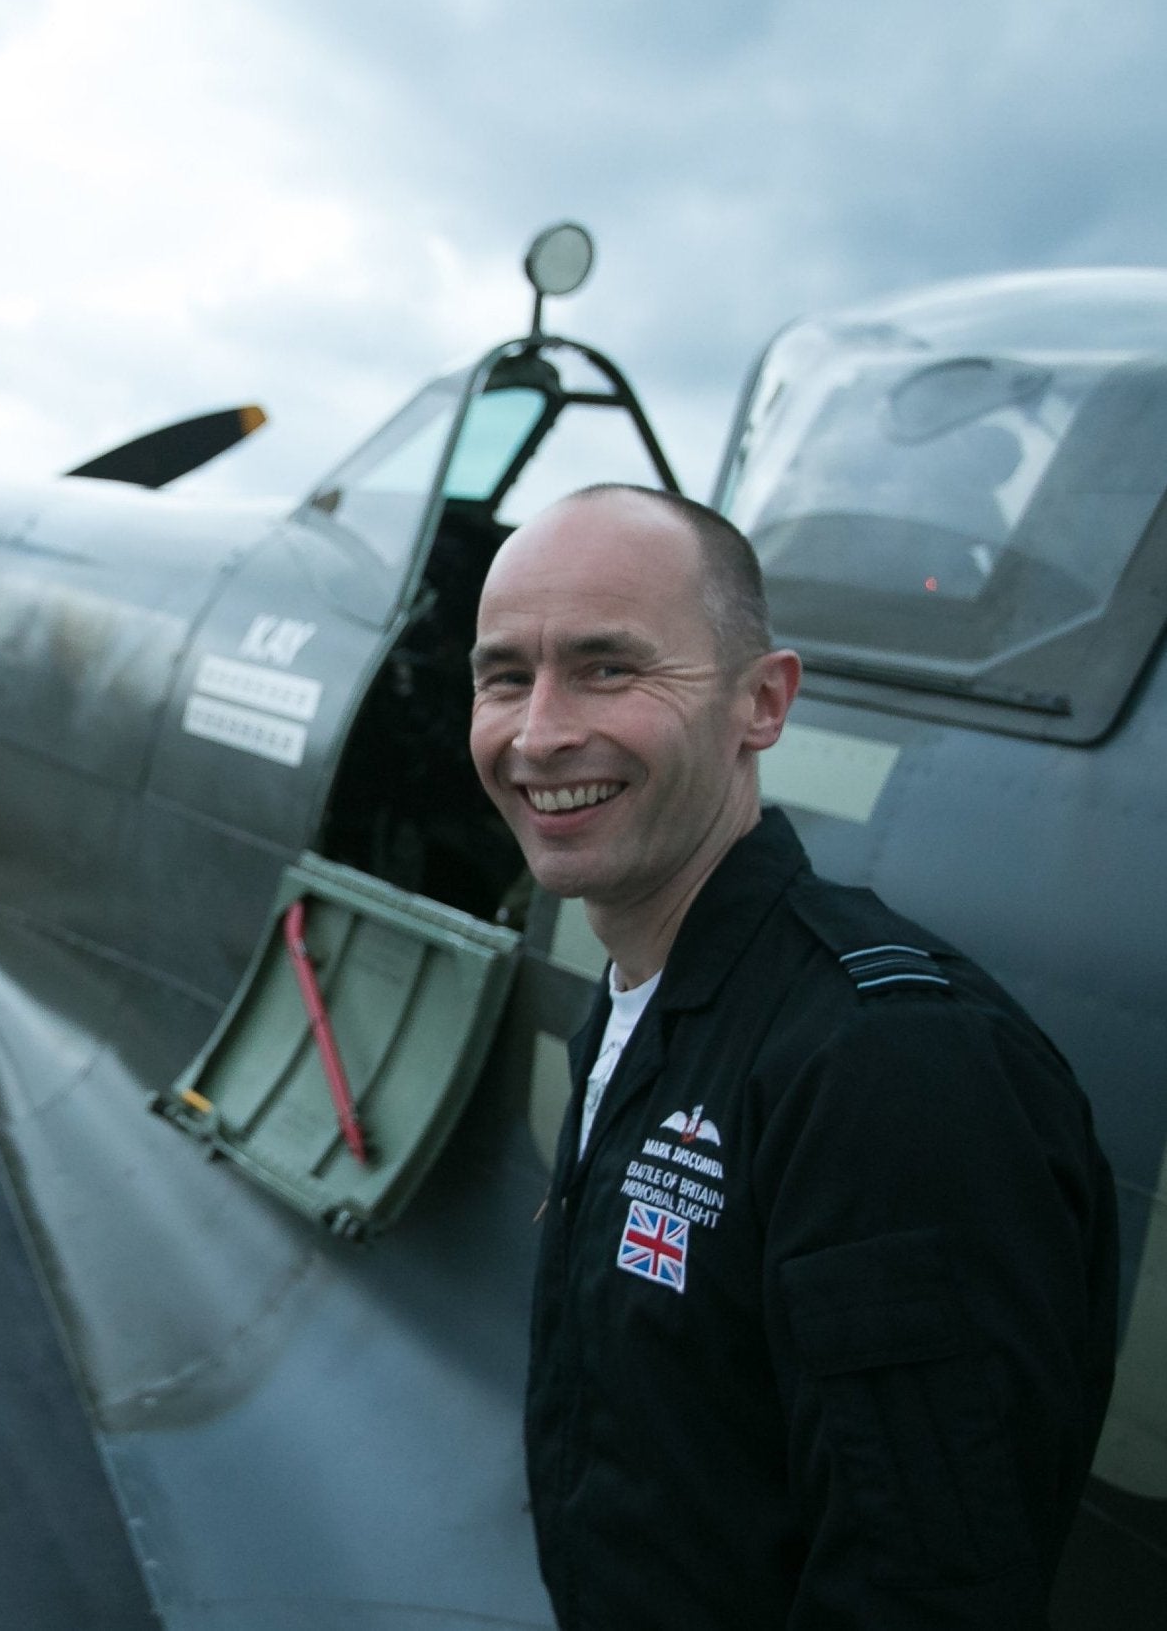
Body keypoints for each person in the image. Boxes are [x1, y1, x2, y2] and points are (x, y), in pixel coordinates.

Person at [468, 485, 1117, 1627]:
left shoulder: (890, 1063)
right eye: (504, 675)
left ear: (759, 702)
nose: (537, 732)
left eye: (607, 667)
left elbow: (923, 1592)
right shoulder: (646, 1004)